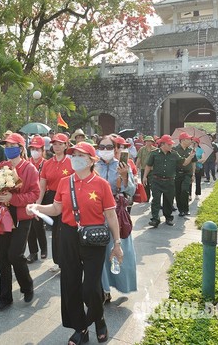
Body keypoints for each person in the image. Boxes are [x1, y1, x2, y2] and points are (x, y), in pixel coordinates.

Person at [26, 142, 123, 344]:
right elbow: (56, 209)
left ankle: (98, 317)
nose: (75, 158)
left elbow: (111, 216)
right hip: (69, 236)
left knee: (90, 287)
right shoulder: (65, 182)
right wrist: (37, 207)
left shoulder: (101, 184)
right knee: (70, 285)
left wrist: (117, 243)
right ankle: (81, 328)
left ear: (91, 160)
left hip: (93, 238)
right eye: (74, 154)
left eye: (80, 155)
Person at [0, 132, 40, 311]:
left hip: (21, 216)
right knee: (2, 257)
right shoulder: (2, 167)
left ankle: (27, 286)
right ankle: (5, 297)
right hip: (3, 215)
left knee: (15, 255)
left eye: (12, 146)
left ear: (21, 147)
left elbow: (34, 194)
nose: (9, 149)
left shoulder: (30, 169)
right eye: (7, 146)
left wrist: (13, 198)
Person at [95, 135, 137, 305]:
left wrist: (125, 176)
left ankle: (121, 284)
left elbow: (132, 191)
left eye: (109, 147)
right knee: (99, 253)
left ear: (115, 149)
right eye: (102, 147)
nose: (105, 150)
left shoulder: (121, 165)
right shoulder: (93, 165)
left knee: (119, 250)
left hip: (116, 213)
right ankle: (103, 290)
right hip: (96, 213)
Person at [36, 133, 74, 272]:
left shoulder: (71, 162)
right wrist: (38, 203)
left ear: (66, 145)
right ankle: (58, 261)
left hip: (68, 198)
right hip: (52, 197)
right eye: (55, 144)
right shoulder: (47, 163)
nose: (57, 146)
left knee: (66, 231)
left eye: (60, 144)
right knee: (56, 231)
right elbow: (42, 184)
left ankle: (68, 261)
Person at [143, 135, 181, 228]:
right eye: (169, 144)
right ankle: (155, 219)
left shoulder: (174, 154)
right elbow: (148, 165)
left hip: (169, 182)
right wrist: (145, 176)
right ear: (163, 144)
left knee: (168, 200)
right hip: (156, 180)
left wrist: (191, 157)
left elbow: (183, 162)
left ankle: (168, 218)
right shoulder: (154, 153)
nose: (171, 146)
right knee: (155, 200)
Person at [26, 135, 47, 263]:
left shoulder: (46, 163)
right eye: (32, 148)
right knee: (29, 227)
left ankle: (44, 249)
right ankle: (33, 252)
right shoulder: (27, 162)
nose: (35, 151)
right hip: (28, 196)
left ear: (43, 150)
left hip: (41, 197)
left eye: (37, 149)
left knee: (38, 225)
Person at [173, 132, 196, 217]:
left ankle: (186, 209)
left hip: (187, 174)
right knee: (178, 192)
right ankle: (180, 210)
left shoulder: (191, 150)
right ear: (182, 140)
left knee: (184, 190)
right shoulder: (175, 150)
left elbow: (194, 162)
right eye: (189, 139)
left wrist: (193, 173)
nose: (190, 141)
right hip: (177, 174)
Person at [135, 136, 156, 202]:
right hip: (143, 168)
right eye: (147, 141)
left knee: (153, 184)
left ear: (152, 142)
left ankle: (155, 198)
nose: (148, 142)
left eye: (150, 141)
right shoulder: (142, 149)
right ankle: (146, 198)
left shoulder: (155, 150)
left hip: (153, 170)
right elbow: (139, 159)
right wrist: (136, 169)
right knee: (144, 184)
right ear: (145, 142)